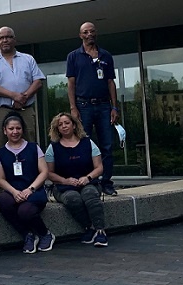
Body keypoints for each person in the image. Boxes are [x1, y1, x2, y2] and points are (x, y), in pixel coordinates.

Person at [66, 22, 119, 196]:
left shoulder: (106, 55)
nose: (89, 34)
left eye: (92, 31)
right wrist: (73, 108)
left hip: (104, 106)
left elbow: (111, 82)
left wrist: (114, 107)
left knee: (107, 145)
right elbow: (71, 84)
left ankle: (107, 182)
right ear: (80, 35)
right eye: (85, 32)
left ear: (96, 33)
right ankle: (89, 181)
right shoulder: (73, 56)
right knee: (84, 146)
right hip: (83, 106)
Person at [0, 113, 55, 254]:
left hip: (34, 190)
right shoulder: (0, 153)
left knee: (24, 211)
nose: (15, 132)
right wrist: (14, 192)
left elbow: (44, 172)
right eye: (11, 129)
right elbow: (0, 178)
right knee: (2, 200)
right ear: (5, 130)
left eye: (18, 128)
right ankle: (27, 234)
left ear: (22, 129)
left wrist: (30, 189)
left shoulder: (34, 148)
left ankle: (45, 234)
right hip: (13, 191)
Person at [45, 113, 108, 247]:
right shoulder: (53, 147)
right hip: (63, 186)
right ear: (57, 129)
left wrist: (87, 177)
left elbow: (99, 167)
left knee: (90, 195)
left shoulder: (88, 142)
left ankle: (100, 231)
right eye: (60, 125)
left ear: (74, 125)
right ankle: (88, 227)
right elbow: (49, 173)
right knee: (73, 199)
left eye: (67, 123)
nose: (64, 126)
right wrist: (64, 180)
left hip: (88, 182)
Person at [0, 26, 45, 149]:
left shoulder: (28, 59)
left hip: (26, 108)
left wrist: (24, 97)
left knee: (30, 146)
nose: (5, 40)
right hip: (0, 109)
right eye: (1, 38)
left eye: (8, 37)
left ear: (15, 40)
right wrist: (14, 96)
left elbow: (38, 81)